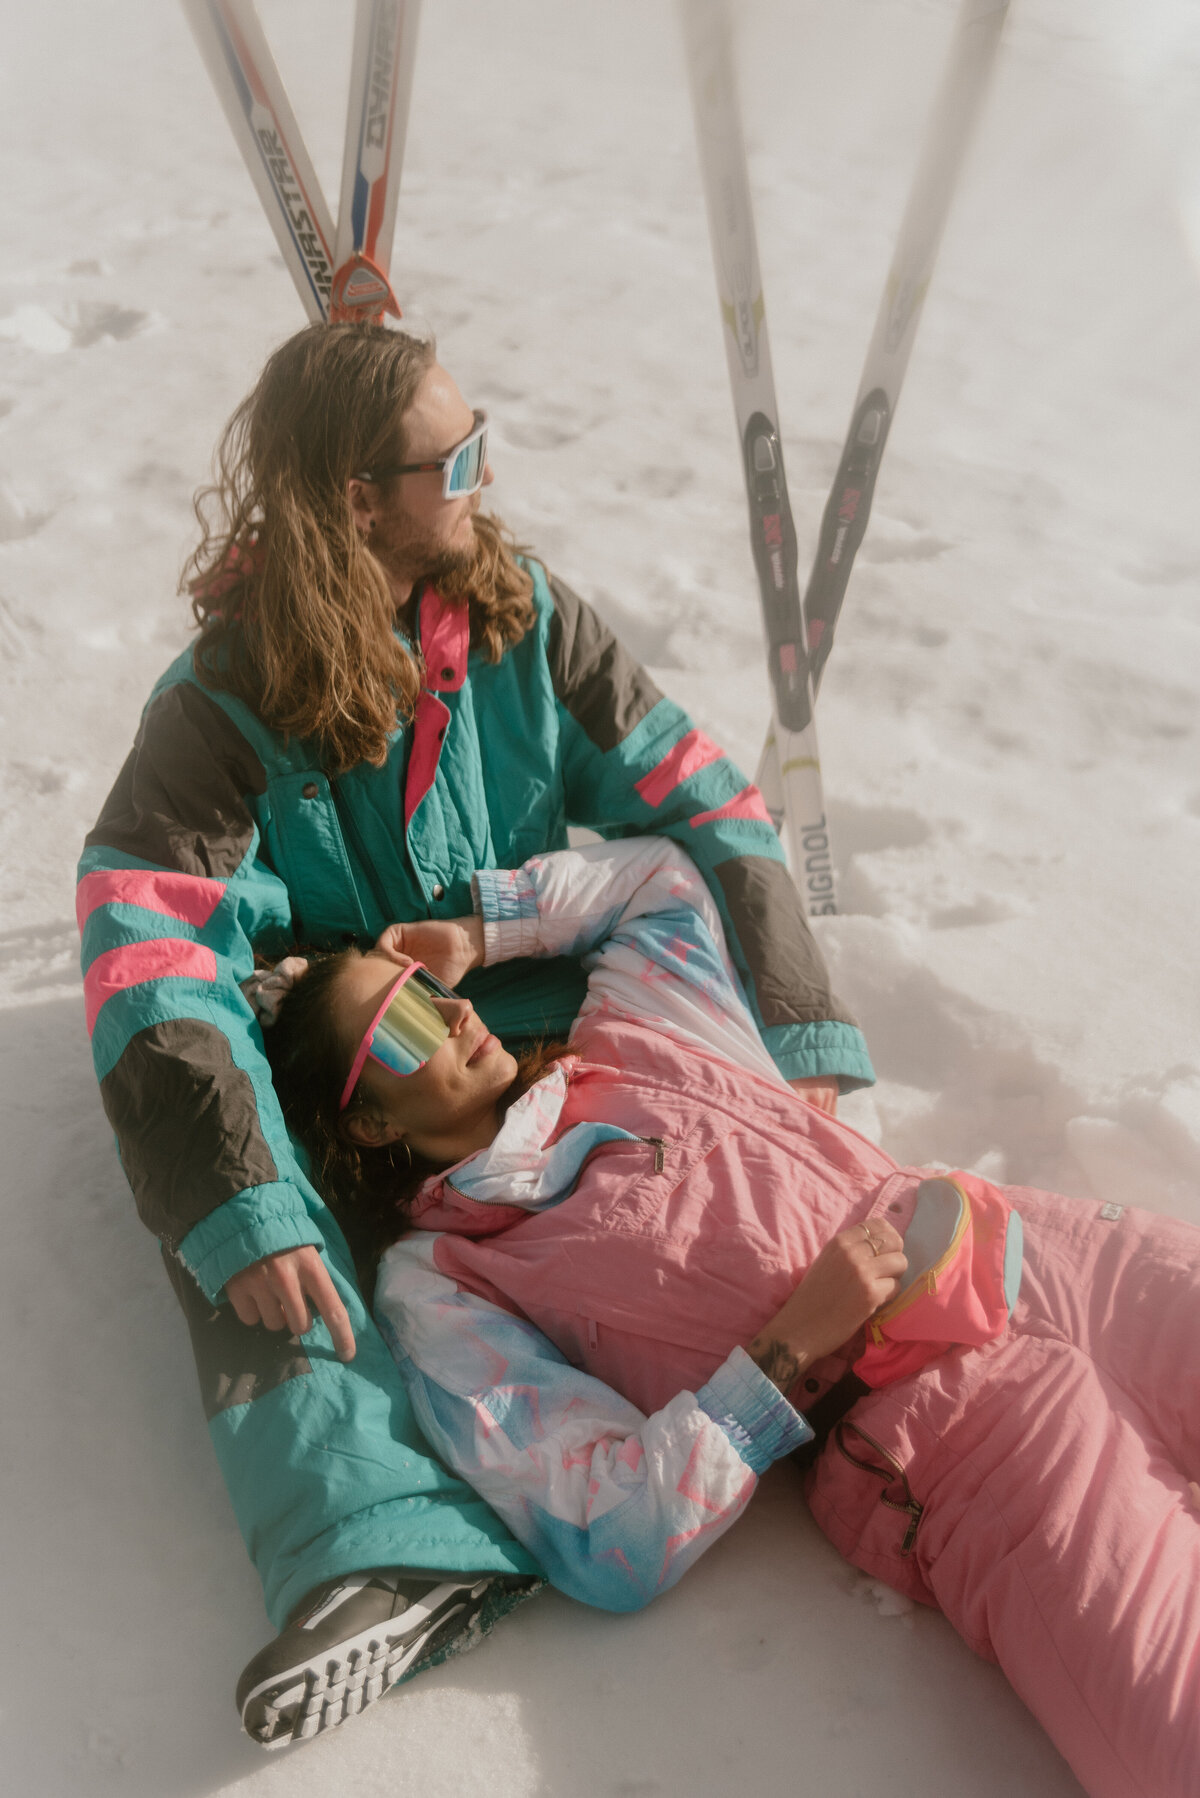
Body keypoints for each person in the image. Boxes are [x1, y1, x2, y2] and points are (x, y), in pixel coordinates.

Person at [76, 320, 874, 1747]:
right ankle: (382, 1538)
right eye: (460, 456)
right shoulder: (223, 706)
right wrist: (243, 1202)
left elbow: (706, 807)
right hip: (369, 1070)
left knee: (689, 1198)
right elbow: (147, 942)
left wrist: (808, 1050)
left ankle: (772, 1369)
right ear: (360, 501)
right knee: (240, 1202)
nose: (486, 480)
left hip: (534, 1027)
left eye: (480, 437)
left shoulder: (523, 623)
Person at [259, 834, 1200, 1798]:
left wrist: (479, 928)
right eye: (403, 1025)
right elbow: (605, 1526)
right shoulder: (449, 1280)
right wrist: (785, 1349)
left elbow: (656, 886)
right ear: (370, 1123)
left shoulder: (641, 1025)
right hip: (960, 1443)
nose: (450, 1011)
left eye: (425, 983)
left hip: (1064, 1259)